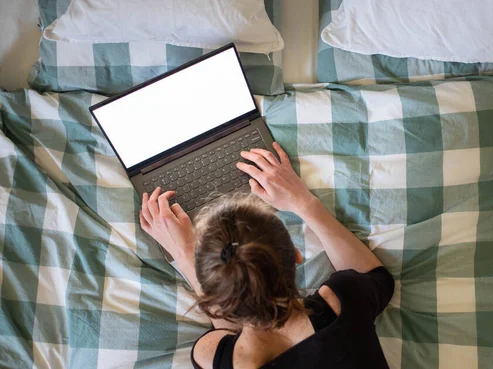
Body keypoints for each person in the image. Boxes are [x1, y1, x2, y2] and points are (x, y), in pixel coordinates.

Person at [139, 142, 394, 369]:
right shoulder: (345, 301)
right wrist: (304, 202)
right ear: (295, 255)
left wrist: (184, 254)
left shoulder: (212, 354)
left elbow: (231, 340)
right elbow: (378, 279)